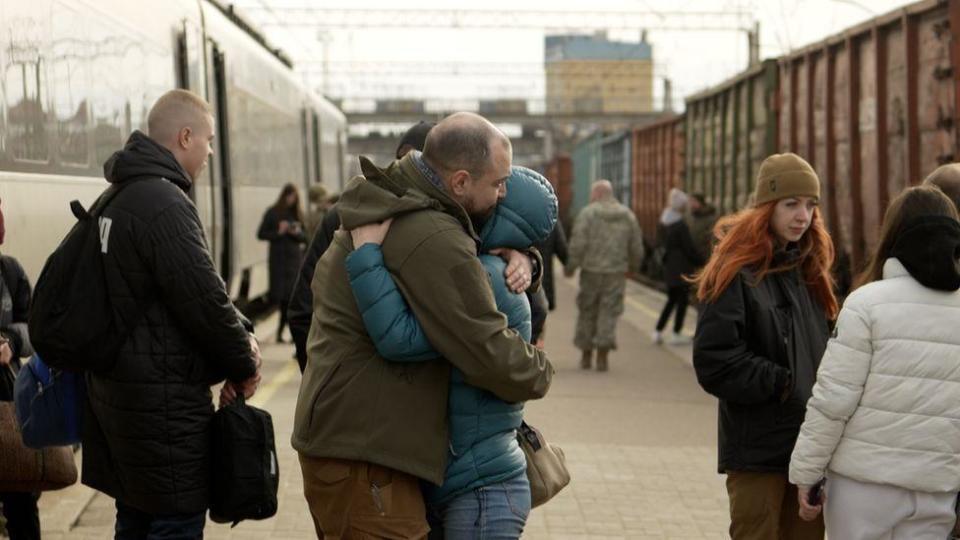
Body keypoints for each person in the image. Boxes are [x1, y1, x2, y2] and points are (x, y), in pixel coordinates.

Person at [291, 112, 553, 539]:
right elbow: (486, 349)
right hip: (365, 452)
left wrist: (527, 259)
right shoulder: (432, 232)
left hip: (352, 443)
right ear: (460, 182)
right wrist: (541, 371)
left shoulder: (393, 197)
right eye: (497, 183)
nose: (501, 193)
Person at [84, 89, 261, 538]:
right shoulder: (165, 205)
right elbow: (205, 303)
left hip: (124, 407)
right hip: (166, 418)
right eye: (209, 140)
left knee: (135, 519)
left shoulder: (117, 196)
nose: (211, 151)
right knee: (171, 523)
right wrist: (245, 363)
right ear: (185, 137)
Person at [344, 166, 556, 537]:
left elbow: (399, 337)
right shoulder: (492, 268)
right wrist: (529, 258)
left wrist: (366, 256)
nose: (495, 193)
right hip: (477, 479)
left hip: (479, 487)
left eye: (500, 188)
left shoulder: (486, 277)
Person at [789, 185, 960, 539]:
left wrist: (806, 472)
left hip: (862, 488)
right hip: (937, 488)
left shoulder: (866, 304)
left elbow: (833, 401)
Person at [691, 152, 838, 540]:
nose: (802, 215)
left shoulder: (811, 275)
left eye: (810, 205)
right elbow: (714, 362)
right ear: (766, 208)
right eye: (791, 204)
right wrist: (784, 383)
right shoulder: (735, 273)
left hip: (809, 450)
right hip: (758, 451)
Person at [288, 120, 432, 372]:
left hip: (344, 389)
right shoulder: (451, 225)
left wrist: (320, 383)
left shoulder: (342, 213)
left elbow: (302, 310)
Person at [564, 179, 643, 372]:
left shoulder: (587, 214)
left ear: (597, 193)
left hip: (591, 271)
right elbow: (636, 246)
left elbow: (578, 243)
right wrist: (633, 267)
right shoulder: (627, 215)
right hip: (615, 273)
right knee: (609, 312)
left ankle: (586, 356)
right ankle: (602, 357)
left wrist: (571, 266)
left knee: (587, 310)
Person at [0, 195, 40, 539]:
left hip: (7, 408)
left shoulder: (9, 272)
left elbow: (33, 330)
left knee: (22, 502)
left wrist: (11, 342)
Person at [652, 188, 704, 345]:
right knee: (681, 301)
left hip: (669, 268)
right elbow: (689, 248)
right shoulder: (680, 225)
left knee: (671, 300)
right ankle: (676, 333)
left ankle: (658, 331)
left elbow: (659, 243)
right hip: (681, 269)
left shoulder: (664, 221)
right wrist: (703, 263)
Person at [257, 183, 306, 343]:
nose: (291, 200)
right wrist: (279, 232)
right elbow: (261, 234)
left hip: (293, 262)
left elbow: (305, 237)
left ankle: (284, 332)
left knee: (291, 299)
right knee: (282, 298)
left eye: (293, 198)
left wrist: (295, 232)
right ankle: (282, 332)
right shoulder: (272, 213)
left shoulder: (298, 214)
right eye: (289, 196)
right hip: (278, 261)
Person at [536, 222, 568, 311]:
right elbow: (562, 249)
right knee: (540, 316)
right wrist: (569, 266)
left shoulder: (513, 213)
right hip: (542, 283)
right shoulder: (550, 217)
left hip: (515, 281)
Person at [687, 193, 718, 263]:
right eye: (691, 202)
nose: (692, 205)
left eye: (694, 201)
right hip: (694, 260)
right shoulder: (692, 219)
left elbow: (714, 239)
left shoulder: (711, 219)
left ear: (701, 202)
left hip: (706, 260)